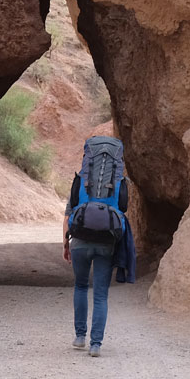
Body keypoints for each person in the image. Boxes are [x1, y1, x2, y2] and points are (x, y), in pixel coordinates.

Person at [63, 134, 134, 357]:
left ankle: (80, 336)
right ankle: (96, 344)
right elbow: (123, 208)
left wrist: (66, 243)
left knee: (81, 286)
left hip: (80, 241)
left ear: (87, 155)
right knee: (101, 294)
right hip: (106, 242)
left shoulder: (80, 179)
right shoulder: (120, 181)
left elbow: (68, 213)